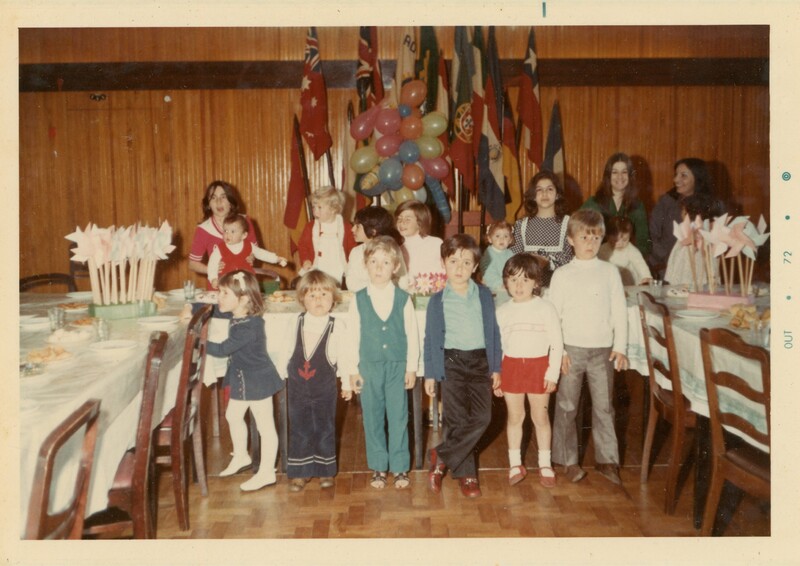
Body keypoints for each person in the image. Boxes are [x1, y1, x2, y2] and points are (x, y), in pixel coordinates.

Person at [549, 210, 628, 486]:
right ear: (571, 240)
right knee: (567, 405)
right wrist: (559, 352)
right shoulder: (562, 275)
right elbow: (553, 316)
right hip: (571, 350)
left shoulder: (610, 272)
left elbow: (620, 311)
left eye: (595, 237)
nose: (590, 243)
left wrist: (620, 346)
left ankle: (608, 460)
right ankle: (567, 460)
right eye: (584, 237)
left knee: (604, 406)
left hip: (602, 350)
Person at [424, 234, 503, 499]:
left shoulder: (484, 295)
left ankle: (441, 456)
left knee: (483, 417)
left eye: (466, 262)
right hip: (451, 362)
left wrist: (496, 367)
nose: (459, 268)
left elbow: (494, 332)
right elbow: (430, 339)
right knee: (457, 420)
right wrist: (431, 374)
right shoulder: (437, 300)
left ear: (475, 266)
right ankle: (467, 475)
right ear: (443, 263)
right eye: (453, 261)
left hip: (480, 362)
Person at [348, 236, 419, 490]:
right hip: (369, 367)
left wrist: (411, 367)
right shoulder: (358, 299)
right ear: (365, 265)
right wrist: (352, 370)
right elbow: (352, 336)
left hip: (397, 366)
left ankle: (400, 466)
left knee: (398, 416)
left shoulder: (403, 298)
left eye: (386, 262)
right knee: (372, 416)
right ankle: (379, 466)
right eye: (374, 262)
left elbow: (412, 334)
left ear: (396, 267)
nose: (379, 267)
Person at [276, 270, 355, 492]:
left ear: (334, 298)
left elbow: (346, 357)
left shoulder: (337, 326)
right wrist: (280, 375)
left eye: (324, 294)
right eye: (312, 295)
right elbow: (284, 350)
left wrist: (346, 384)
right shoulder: (295, 322)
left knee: (324, 428)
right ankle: (300, 473)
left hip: (325, 389)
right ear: (302, 299)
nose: (318, 300)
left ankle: (325, 471)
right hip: (297, 389)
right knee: (299, 428)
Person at [206, 270, 284, 492]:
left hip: (258, 380)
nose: (218, 297)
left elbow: (222, 349)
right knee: (232, 415)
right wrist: (191, 309)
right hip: (243, 378)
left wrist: (198, 342)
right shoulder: (238, 315)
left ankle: (267, 472)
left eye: (224, 293)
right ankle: (241, 456)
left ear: (243, 299)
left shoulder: (250, 326)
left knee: (265, 426)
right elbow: (216, 311)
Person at [496, 253, 563, 488]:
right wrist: (497, 375)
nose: (519, 285)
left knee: (540, 417)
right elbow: (498, 347)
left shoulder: (546, 308)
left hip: (539, 367)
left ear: (536, 282)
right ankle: (515, 463)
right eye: (513, 279)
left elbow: (556, 343)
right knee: (515, 417)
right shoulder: (502, 311)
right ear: (506, 283)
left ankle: (545, 464)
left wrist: (552, 374)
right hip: (511, 367)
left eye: (525, 280)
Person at [649, 157, 715, 278]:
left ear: (698, 178)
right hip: (664, 268)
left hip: (699, 271)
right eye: (676, 175)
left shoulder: (711, 205)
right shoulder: (666, 202)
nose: (676, 179)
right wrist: (668, 258)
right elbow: (651, 235)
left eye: (683, 175)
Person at [189, 180, 259, 288]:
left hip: (244, 286)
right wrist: (211, 269)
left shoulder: (245, 221)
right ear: (208, 204)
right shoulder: (203, 229)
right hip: (217, 288)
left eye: (223, 197)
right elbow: (192, 264)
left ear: (230, 201)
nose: (219, 202)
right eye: (213, 198)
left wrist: (252, 257)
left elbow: (255, 250)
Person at [510, 171, 574, 288]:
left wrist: (546, 261)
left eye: (550, 189)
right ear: (533, 196)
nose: (544, 193)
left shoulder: (569, 223)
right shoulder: (521, 225)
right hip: (528, 289)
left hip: (560, 287)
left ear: (557, 194)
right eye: (539, 190)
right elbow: (514, 259)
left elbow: (570, 260)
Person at [581, 152, 651, 257]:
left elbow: (643, 242)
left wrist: (633, 259)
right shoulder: (594, 203)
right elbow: (577, 231)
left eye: (624, 172)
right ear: (608, 176)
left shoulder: (638, 206)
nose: (620, 177)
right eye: (615, 172)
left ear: (630, 175)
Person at [207, 215, 287, 289]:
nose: (227, 234)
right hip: (228, 284)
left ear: (244, 235)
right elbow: (212, 264)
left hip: (248, 283)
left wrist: (276, 259)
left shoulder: (249, 245)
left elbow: (262, 254)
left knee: (250, 297)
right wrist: (213, 278)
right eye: (225, 231)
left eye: (233, 231)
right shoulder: (219, 248)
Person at [298, 186, 357, 285]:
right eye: (313, 207)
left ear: (333, 209)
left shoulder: (345, 227)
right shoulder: (311, 227)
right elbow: (302, 245)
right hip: (318, 267)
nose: (315, 211)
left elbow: (353, 248)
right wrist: (306, 260)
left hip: (338, 268)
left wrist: (352, 264)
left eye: (319, 207)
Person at [345, 206, 406, 292]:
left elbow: (403, 282)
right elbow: (351, 282)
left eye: (358, 226)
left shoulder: (392, 251)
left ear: (373, 231)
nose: (352, 229)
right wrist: (378, 286)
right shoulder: (355, 252)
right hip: (363, 297)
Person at [664, 193, 717, 288]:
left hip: (692, 267)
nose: (681, 214)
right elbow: (676, 254)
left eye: (684, 212)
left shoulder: (699, 233)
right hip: (685, 266)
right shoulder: (685, 232)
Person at [394, 200, 445, 292]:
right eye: (399, 219)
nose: (402, 223)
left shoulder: (435, 243)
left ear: (420, 223)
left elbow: (444, 273)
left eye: (407, 219)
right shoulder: (398, 250)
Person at [598, 216, 653, 286]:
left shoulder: (631, 250)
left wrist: (646, 276)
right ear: (607, 237)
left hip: (629, 284)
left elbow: (640, 264)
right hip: (610, 283)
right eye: (615, 241)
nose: (620, 243)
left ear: (630, 236)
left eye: (624, 240)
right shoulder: (603, 249)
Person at [479, 220, 514, 295]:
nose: (502, 239)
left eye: (506, 236)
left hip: (509, 285)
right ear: (490, 239)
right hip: (493, 287)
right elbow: (488, 273)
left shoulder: (510, 253)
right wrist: (501, 284)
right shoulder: (488, 255)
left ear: (510, 240)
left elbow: (515, 269)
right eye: (497, 236)